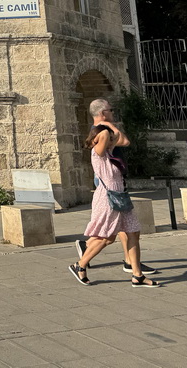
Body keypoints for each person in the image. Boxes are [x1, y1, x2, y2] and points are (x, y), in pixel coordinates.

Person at [71, 121, 161, 287]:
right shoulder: (97, 152)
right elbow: (104, 135)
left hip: (120, 196)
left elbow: (124, 140)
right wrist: (104, 124)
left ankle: (137, 275)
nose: (110, 140)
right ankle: (80, 265)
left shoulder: (108, 151)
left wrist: (111, 128)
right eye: (107, 138)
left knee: (133, 232)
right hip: (107, 198)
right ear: (97, 138)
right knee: (107, 238)